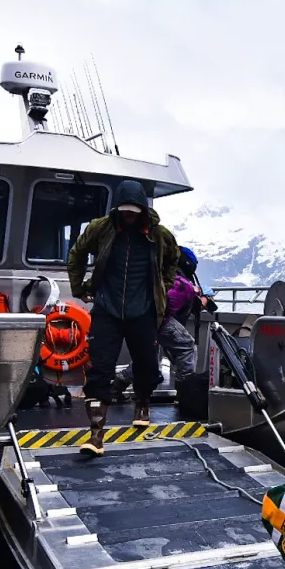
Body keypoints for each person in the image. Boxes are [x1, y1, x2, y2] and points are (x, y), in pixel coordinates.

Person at [67, 179, 180, 456]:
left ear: (142, 209)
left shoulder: (160, 235)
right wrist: (79, 289)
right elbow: (77, 254)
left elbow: (172, 261)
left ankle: (142, 402)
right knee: (99, 368)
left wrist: (163, 288)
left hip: (143, 310)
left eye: (134, 210)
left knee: (146, 365)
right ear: (117, 208)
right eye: (125, 209)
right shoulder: (100, 229)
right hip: (107, 308)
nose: (129, 215)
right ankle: (96, 435)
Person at [112, 246, 208, 397]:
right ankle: (186, 390)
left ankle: (120, 382)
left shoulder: (161, 274)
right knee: (187, 346)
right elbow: (167, 307)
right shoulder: (182, 284)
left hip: (140, 317)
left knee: (150, 356)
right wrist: (197, 296)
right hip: (156, 319)